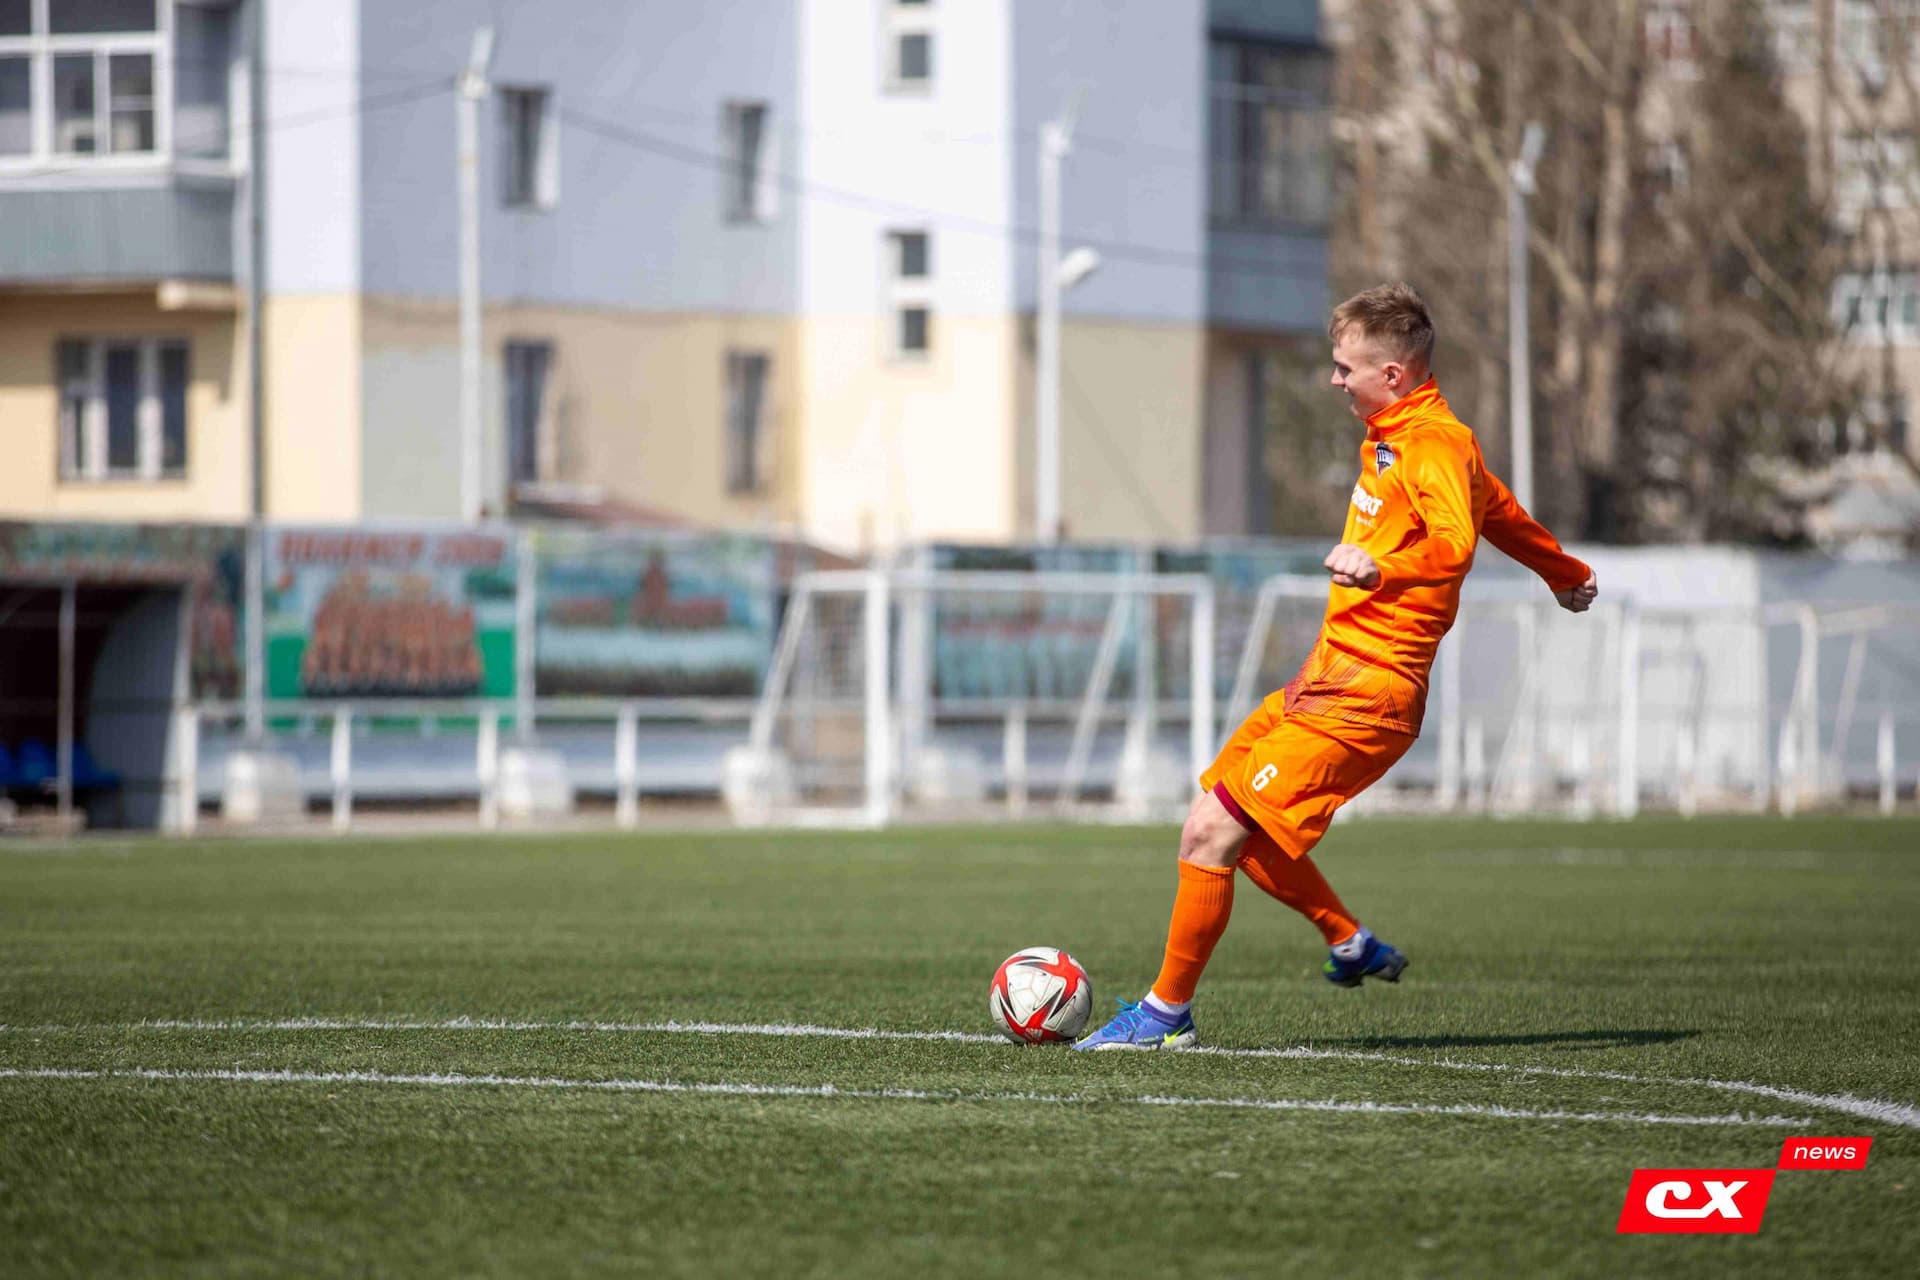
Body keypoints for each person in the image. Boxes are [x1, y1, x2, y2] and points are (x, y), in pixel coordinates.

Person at [1075, 282, 1599, 1051]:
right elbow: (1502, 513)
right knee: (1234, 828)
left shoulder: (1433, 445)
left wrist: (1379, 567)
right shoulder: (1401, 432)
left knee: (1210, 832)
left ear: (1392, 374)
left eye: (1345, 366)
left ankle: (1164, 1017)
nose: (1333, 378)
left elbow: (1455, 543)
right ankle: (1347, 940)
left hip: (1368, 694)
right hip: (1327, 676)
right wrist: (1563, 571)